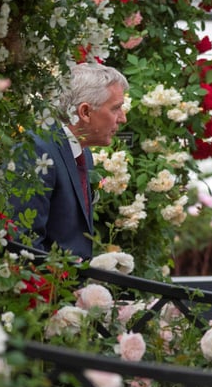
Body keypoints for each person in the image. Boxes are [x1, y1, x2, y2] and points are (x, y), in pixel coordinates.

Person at [10, 62, 128, 260]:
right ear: (85, 112)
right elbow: (23, 243)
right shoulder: (36, 151)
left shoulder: (83, 152)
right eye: (116, 108)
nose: (122, 118)